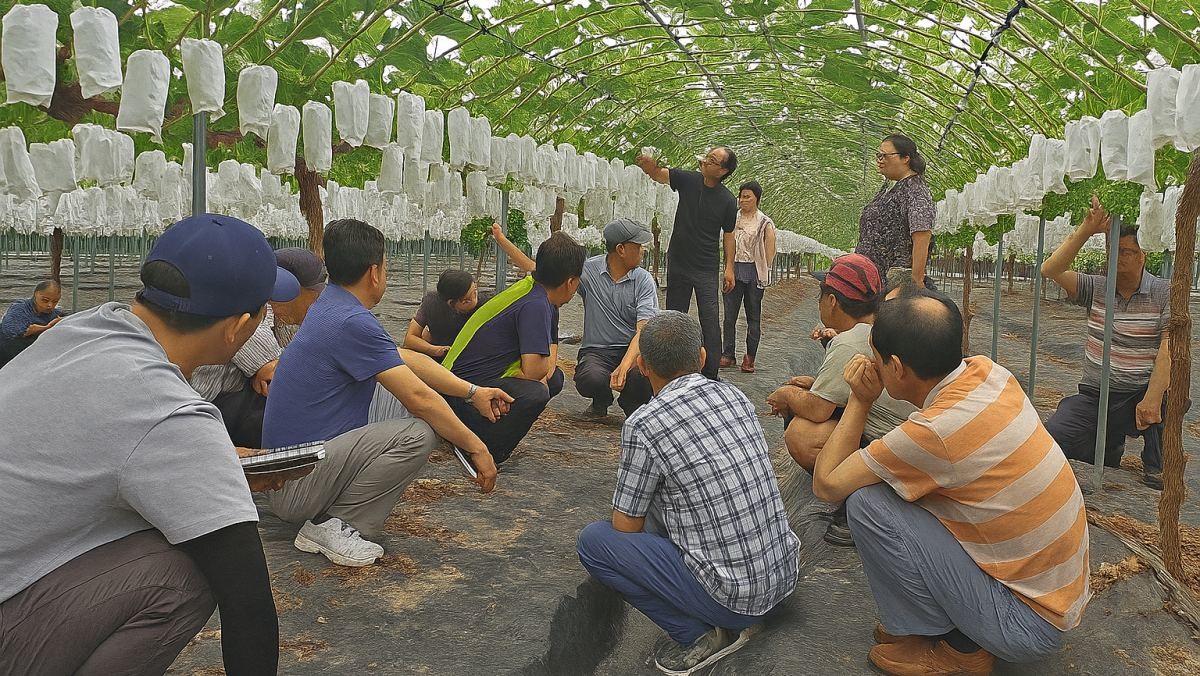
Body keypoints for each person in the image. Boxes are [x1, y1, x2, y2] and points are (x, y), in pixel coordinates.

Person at [0, 214, 307, 674]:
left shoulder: (77, 330)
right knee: (187, 570)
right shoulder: (168, 410)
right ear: (238, 327)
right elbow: (248, 602)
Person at [813, 292, 1089, 674]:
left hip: (1025, 624)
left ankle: (960, 651)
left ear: (895, 367)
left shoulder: (935, 434)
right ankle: (931, 629)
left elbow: (826, 485)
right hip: (1055, 598)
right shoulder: (989, 373)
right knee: (905, 494)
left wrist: (859, 401)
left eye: (875, 358)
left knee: (866, 502)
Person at [263, 219, 513, 567]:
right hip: (297, 486)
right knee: (419, 432)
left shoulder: (332, 306)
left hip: (291, 472)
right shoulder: (350, 321)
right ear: (374, 272)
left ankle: (334, 514)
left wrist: (472, 392)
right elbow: (420, 399)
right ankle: (333, 525)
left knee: (400, 393)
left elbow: (403, 357)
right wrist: (477, 446)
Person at [577, 311, 799, 675]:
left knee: (596, 542)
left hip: (737, 602)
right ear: (701, 357)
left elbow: (625, 526)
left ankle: (699, 634)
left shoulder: (644, 424)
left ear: (643, 367)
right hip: (782, 578)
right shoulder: (734, 395)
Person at [767, 254, 915, 546]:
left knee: (802, 433)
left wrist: (786, 395)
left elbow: (819, 409)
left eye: (821, 296)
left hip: (896, 451)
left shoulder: (849, 340)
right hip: (911, 440)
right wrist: (815, 385)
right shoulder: (882, 328)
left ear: (832, 301)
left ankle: (860, 503)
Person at [1040, 195, 1175, 490]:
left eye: (1127, 251)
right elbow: (1049, 270)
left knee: (1169, 398)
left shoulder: (1164, 292)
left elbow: (1169, 348)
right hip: (1096, 395)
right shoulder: (1097, 287)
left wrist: (1152, 397)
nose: (1119, 257)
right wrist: (1087, 229)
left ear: (1144, 255)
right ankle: (1109, 444)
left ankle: (1155, 460)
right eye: (1114, 249)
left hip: (1139, 393)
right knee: (1053, 437)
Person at [443, 231, 586, 463]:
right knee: (535, 392)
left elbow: (546, 368)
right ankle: (486, 449)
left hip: (461, 380)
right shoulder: (536, 305)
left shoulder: (532, 289)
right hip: (457, 392)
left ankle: (481, 427)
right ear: (571, 282)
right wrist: (534, 374)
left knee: (553, 380)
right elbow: (535, 371)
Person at [492, 219, 658, 418]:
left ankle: (632, 402)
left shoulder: (643, 280)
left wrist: (624, 365)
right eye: (639, 246)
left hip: (631, 349)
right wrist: (502, 240)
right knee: (590, 378)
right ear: (621, 249)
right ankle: (601, 399)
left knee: (643, 375)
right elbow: (536, 269)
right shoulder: (589, 270)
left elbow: (643, 329)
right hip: (598, 351)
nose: (643, 251)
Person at [190, 247, 328, 447]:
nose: (318, 301)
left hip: (216, 406)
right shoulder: (253, 309)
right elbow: (276, 376)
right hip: (200, 408)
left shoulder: (285, 318)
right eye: (315, 294)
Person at [637, 146, 739, 380]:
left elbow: (729, 234)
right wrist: (649, 164)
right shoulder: (689, 180)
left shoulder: (727, 200)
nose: (706, 160)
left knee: (710, 320)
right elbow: (659, 174)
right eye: (708, 156)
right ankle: (670, 370)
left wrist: (730, 268)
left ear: (723, 171)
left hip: (706, 267)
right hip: (679, 262)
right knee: (674, 316)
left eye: (713, 160)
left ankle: (711, 374)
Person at [855, 134, 936, 288]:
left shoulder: (915, 190)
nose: (879, 160)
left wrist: (916, 282)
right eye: (878, 155)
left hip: (892, 281)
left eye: (885, 156)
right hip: (873, 276)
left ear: (905, 158)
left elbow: (922, 236)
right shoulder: (891, 188)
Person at [720, 180, 776, 374]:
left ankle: (749, 357)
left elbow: (770, 249)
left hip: (754, 272)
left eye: (747, 196)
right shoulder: (733, 219)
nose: (743, 200)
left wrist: (764, 270)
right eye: (741, 196)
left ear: (756, 199)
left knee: (753, 317)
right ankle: (728, 354)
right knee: (729, 316)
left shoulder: (764, 222)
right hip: (733, 269)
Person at [403, 269, 494, 360]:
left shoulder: (488, 304)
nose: (475, 299)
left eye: (475, 291)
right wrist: (435, 350)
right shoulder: (432, 303)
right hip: (442, 357)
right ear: (451, 303)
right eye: (467, 300)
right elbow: (410, 338)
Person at [0, 279, 65, 368]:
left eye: (55, 302)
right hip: (6, 355)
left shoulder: (55, 314)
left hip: (30, 359)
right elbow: (12, 330)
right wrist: (47, 327)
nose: (50, 305)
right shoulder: (20, 308)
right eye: (45, 300)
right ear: (35, 294)